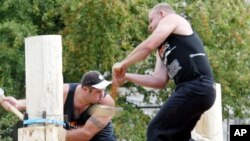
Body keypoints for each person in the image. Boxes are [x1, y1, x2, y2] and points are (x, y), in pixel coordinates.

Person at [112, 3, 216, 141]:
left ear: (161, 14)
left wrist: (123, 64)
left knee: (156, 131)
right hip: (193, 91)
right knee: (177, 137)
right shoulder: (161, 49)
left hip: (197, 85)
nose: (149, 27)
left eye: (151, 20)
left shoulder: (173, 19)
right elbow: (158, 80)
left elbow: (148, 45)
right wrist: (126, 76)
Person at [1, 71, 117, 141]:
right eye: (98, 91)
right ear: (85, 89)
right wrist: (17, 104)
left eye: (103, 90)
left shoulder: (107, 104)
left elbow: (85, 134)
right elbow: (41, 102)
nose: (102, 94)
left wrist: (49, 135)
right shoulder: (62, 93)